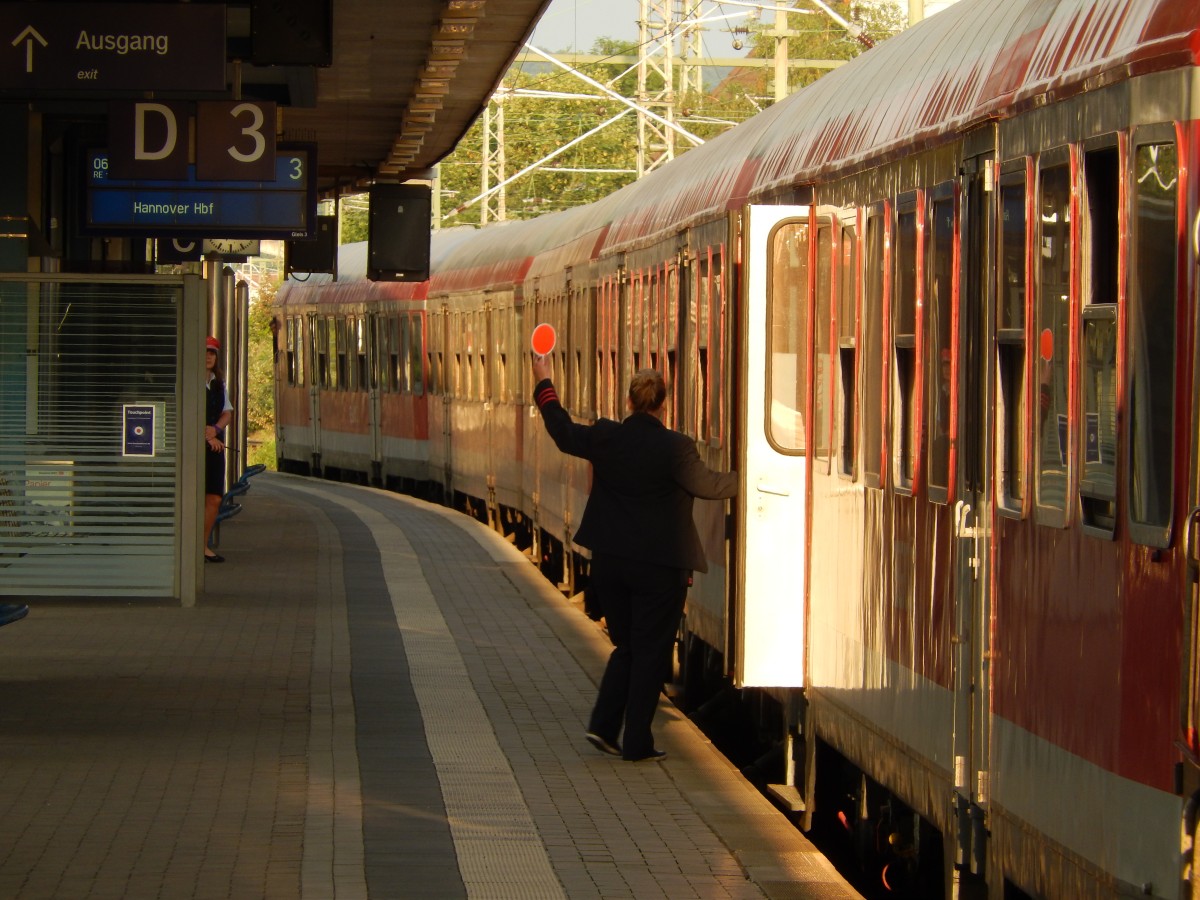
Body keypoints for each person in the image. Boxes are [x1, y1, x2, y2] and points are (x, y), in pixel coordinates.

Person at [531, 356, 737, 762]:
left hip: (610, 564)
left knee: (627, 647)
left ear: (629, 401)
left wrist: (544, 382)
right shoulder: (676, 448)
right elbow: (711, 487)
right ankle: (637, 741)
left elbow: (562, 431)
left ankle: (603, 727)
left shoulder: (607, 436)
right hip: (660, 570)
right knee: (650, 653)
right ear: (664, 405)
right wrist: (752, 477)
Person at [204, 336, 233, 563]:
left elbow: (227, 413)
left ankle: (202, 544)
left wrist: (215, 430)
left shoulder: (219, 383)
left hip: (215, 446)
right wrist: (206, 435)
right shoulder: (187, 380)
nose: (208, 357)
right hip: (195, 448)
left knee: (214, 497)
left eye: (212, 353)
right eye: (205, 352)